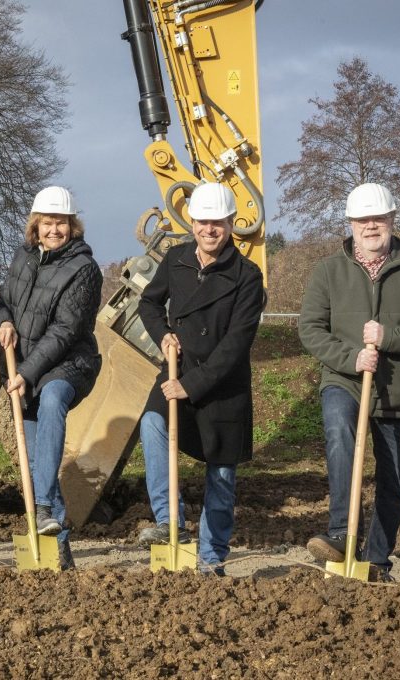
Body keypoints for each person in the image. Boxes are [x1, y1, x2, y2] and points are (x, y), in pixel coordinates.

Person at [299, 182, 400, 582]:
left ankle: (377, 561)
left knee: (395, 483)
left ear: (392, 220)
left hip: (399, 388)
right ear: (350, 224)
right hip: (344, 380)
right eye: (363, 219)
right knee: (338, 431)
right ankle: (339, 532)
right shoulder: (328, 271)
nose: (371, 226)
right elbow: (311, 329)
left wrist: (389, 338)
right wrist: (351, 357)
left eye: (378, 218)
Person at [136, 182, 265, 576]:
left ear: (230, 225)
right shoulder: (175, 260)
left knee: (221, 475)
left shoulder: (247, 275)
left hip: (222, 385)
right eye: (203, 222)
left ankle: (211, 557)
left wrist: (191, 386)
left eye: (218, 223)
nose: (210, 230)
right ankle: (167, 519)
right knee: (152, 422)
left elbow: (236, 343)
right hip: (179, 367)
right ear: (192, 222)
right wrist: (163, 335)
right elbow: (148, 303)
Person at [0, 186, 103, 571]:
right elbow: (1, 302)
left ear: (73, 226)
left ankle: (41, 505)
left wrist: (24, 373)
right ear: (35, 226)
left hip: (70, 363)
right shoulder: (23, 258)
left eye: (62, 223)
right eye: (48, 222)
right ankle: (60, 551)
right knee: (36, 455)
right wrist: (2, 322)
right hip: (27, 367)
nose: (55, 229)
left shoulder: (84, 269)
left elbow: (66, 330)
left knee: (53, 399)